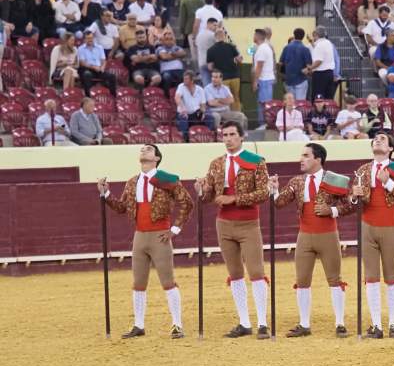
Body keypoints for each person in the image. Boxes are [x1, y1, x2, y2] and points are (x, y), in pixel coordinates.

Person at [99, 144, 193, 339]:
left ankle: (177, 324)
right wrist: (106, 194)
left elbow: (187, 202)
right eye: (142, 149)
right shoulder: (132, 182)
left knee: (168, 281)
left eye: (149, 149)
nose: (143, 151)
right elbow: (121, 207)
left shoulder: (167, 179)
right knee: (138, 283)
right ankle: (138, 325)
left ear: (157, 158)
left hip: (160, 236)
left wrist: (174, 229)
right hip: (139, 237)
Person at [195, 122, 271, 339]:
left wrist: (235, 198)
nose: (228, 139)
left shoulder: (255, 161)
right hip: (224, 224)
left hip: (248, 223)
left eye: (232, 135)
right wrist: (202, 189)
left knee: (256, 272)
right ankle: (245, 322)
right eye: (224, 135)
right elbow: (209, 197)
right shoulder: (216, 163)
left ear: (241, 137)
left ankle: (263, 323)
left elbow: (263, 193)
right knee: (235, 274)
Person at [270, 143, 354, 338]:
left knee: (335, 280)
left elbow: (351, 205)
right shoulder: (296, 181)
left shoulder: (334, 180)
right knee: (302, 281)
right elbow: (280, 203)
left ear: (318, 159)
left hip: (328, 235)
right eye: (302, 155)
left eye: (306, 155)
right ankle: (304, 324)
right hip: (304, 236)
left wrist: (331, 211)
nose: (301, 159)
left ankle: (340, 323)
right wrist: (273, 190)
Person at [350, 132, 394, 338]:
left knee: (391, 277)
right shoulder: (362, 170)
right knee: (371, 277)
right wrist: (354, 196)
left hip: (390, 228)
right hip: (367, 228)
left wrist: (388, 183)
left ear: (390, 149)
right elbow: (353, 202)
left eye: (383, 140)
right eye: (375, 139)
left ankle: (393, 324)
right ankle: (377, 325)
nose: (378, 141)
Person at [175, 71, 214, 139]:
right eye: (184, 78)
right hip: (184, 113)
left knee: (210, 118)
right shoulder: (181, 86)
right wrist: (183, 109)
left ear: (192, 80)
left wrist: (202, 112)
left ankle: (208, 136)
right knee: (183, 118)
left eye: (186, 79)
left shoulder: (200, 89)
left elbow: (203, 104)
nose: (184, 80)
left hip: (196, 113)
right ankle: (185, 139)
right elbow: (177, 97)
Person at [77, 30, 116, 95]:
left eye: (91, 38)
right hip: (87, 68)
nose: (90, 40)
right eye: (88, 38)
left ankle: (113, 96)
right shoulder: (81, 49)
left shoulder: (99, 47)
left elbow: (103, 60)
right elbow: (82, 63)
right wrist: (93, 67)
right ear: (84, 39)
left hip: (99, 69)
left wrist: (102, 67)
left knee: (112, 76)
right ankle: (88, 96)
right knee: (87, 74)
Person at [279, 28, 312, 101]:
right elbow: (309, 66)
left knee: (290, 103)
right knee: (300, 104)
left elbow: (281, 63)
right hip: (301, 80)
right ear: (303, 37)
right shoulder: (305, 49)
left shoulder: (286, 48)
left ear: (294, 35)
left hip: (288, 80)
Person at [252, 27, 275, 129]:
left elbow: (259, 66)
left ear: (257, 36)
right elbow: (250, 53)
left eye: (254, 35)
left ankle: (264, 125)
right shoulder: (261, 47)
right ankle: (263, 124)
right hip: (265, 79)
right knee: (262, 103)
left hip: (264, 79)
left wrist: (255, 81)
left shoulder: (263, 48)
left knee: (264, 104)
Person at [307, 26, 336, 100]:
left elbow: (319, 61)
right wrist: (311, 42)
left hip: (320, 75)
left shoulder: (319, 45)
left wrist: (310, 68)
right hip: (329, 73)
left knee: (318, 97)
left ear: (316, 34)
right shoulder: (328, 43)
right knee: (328, 97)